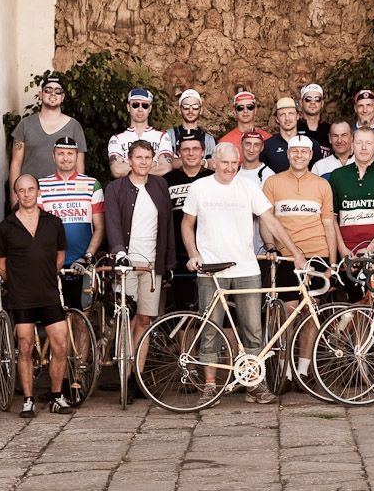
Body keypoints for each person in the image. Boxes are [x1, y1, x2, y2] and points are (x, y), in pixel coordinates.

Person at [182, 143, 306, 405]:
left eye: (233, 163)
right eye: (224, 162)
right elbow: (187, 223)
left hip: (246, 268)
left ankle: (254, 385)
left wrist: (294, 250)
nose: (229, 168)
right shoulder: (199, 188)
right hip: (211, 269)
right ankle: (210, 386)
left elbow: (270, 220)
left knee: (252, 329)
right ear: (213, 162)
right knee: (210, 329)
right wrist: (193, 253)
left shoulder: (248, 187)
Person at [0, 174, 75, 417]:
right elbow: (0, 264)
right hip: (22, 297)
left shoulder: (53, 222)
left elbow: (61, 254)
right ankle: (28, 399)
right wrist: (18, 283)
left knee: (61, 345)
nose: (27, 194)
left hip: (49, 293)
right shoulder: (5, 227)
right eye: (22, 190)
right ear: (16, 193)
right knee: (25, 346)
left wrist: (48, 275)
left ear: (38, 191)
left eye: (31, 189)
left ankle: (56, 395)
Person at [261, 135, 336, 386]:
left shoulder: (322, 185)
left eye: (305, 152)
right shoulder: (272, 182)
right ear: (288, 154)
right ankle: (285, 371)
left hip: (317, 253)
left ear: (312, 155)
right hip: (285, 256)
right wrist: (271, 245)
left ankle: (303, 371)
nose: (300, 156)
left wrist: (333, 263)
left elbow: (328, 224)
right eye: (295, 152)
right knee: (287, 313)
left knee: (311, 311)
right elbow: (266, 221)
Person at [104, 140, 175, 399]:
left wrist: (167, 264)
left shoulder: (160, 186)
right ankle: (124, 374)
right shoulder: (116, 188)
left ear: (153, 160)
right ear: (129, 160)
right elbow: (111, 223)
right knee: (128, 318)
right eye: (138, 157)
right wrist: (119, 252)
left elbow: (166, 227)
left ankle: (138, 376)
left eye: (148, 158)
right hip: (126, 263)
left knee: (145, 319)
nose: (143, 162)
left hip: (152, 264)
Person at [38, 137, 105, 310]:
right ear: (53, 156)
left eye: (70, 153)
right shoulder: (41, 186)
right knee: (57, 320)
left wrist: (88, 257)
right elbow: (36, 227)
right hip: (52, 264)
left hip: (83, 262)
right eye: (61, 153)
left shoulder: (92, 184)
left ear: (77, 156)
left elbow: (100, 228)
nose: (65, 158)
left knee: (82, 319)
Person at [9, 74, 88, 197]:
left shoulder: (74, 126)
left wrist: (76, 196)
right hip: (30, 197)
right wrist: (15, 198)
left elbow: (79, 166)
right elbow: (16, 164)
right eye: (48, 90)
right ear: (41, 94)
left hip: (62, 196)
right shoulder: (25, 124)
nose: (53, 94)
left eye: (57, 91)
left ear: (62, 97)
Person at [329, 128, 374, 262]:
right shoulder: (337, 175)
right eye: (359, 142)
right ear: (351, 145)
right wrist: (341, 249)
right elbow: (331, 218)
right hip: (347, 252)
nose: (363, 147)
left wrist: (370, 249)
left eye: (368, 143)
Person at [164, 130, 214, 313]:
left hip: (211, 252)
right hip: (179, 254)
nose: (191, 153)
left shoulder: (213, 178)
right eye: (186, 149)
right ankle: (186, 344)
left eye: (195, 149)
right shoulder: (167, 181)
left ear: (203, 151)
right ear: (178, 153)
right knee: (184, 314)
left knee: (216, 311)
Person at [108, 88, 173, 178]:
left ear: (150, 108)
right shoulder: (117, 139)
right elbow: (117, 170)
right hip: (127, 191)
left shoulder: (162, 136)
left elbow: (165, 168)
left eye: (145, 105)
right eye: (135, 105)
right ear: (128, 107)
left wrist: (128, 166)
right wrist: (153, 164)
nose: (140, 109)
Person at [236, 130, 275, 255]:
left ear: (262, 147)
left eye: (256, 145)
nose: (251, 149)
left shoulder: (268, 175)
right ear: (240, 145)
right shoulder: (233, 172)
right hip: (235, 246)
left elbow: (264, 212)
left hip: (260, 248)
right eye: (247, 144)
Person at [263, 97, 324, 173]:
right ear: (277, 119)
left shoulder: (311, 144)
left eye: (291, 113)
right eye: (282, 114)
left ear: (297, 116)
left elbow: (319, 174)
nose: (287, 118)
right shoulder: (267, 146)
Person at [165, 88, 216, 169]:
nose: (190, 111)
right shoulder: (168, 135)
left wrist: (178, 161)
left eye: (195, 107)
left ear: (201, 110)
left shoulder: (209, 139)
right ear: (179, 109)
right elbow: (166, 163)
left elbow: (213, 165)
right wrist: (203, 162)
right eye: (186, 107)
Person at [296, 83, 331, 155]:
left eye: (317, 99)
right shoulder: (294, 128)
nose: (313, 103)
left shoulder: (330, 129)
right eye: (308, 99)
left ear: (322, 103)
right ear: (301, 103)